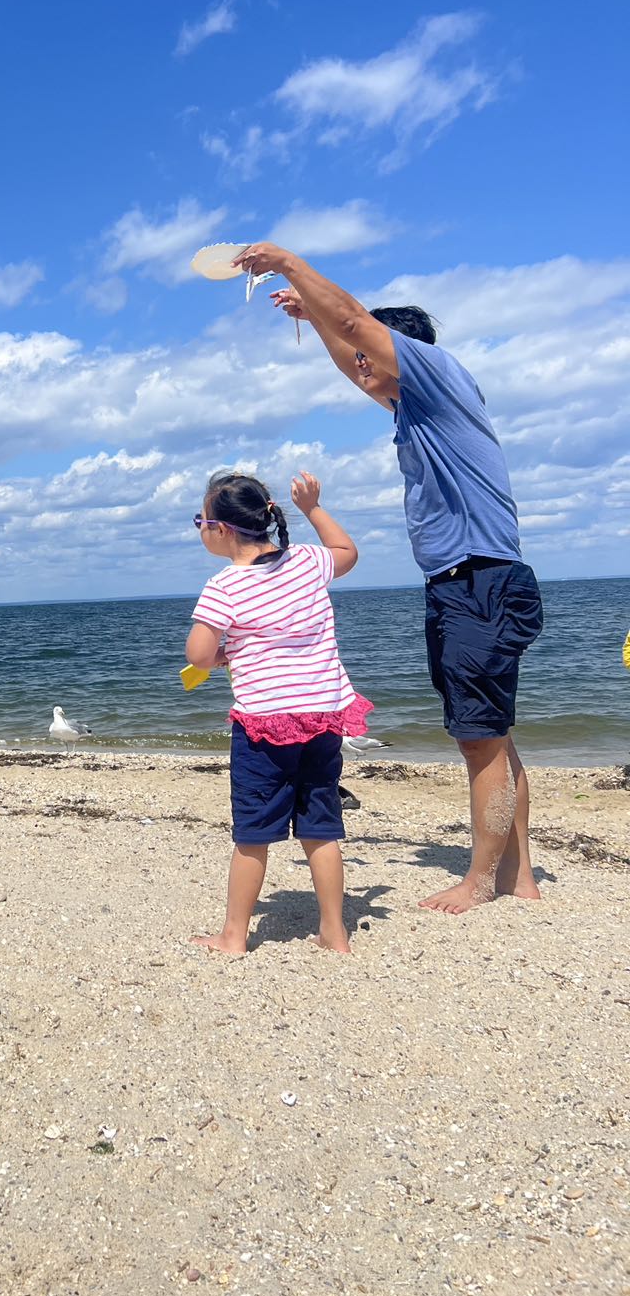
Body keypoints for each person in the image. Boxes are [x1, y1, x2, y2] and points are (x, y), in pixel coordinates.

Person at [233, 243, 544, 915]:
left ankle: (482, 880)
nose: (363, 368)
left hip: (479, 581)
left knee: (479, 735)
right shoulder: (416, 410)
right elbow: (354, 354)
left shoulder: (436, 373)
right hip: (467, 582)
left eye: (375, 352)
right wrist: (315, 319)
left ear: (407, 351)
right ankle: (520, 874)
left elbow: (354, 327)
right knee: (493, 731)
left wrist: (290, 266)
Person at [185, 468, 371, 957]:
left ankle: (234, 936)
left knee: (253, 835)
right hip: (322, 718)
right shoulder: (309, 562)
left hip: (264, 725)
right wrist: (312, 509)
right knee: (321, 825)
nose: (200, 529)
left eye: (199, 521)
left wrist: (225, 654)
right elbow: (348, 554)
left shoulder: (225, 586)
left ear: (221, 529)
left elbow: (198, 655)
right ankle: (335, 931)